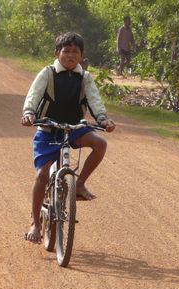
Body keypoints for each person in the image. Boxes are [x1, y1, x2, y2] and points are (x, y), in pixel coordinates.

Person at [20, 32, 115, 244]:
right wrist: (29, 113)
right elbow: (33, 95)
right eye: (66, 51)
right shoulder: (48, 73)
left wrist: (102, 119)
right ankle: (35, 223)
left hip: (74, 128)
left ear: (81, 56)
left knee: (100, 143)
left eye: (75, 52)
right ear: (57, 53)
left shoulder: (85, 77)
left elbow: (94, 100)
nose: (71, 56)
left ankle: (79, 184)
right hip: (47, 129)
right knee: (42, 175)